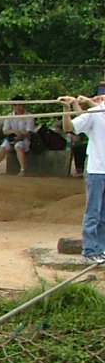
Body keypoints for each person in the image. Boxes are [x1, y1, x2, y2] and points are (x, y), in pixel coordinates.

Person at [61, 86, 105, 261]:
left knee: (104, 214)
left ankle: (101, 248)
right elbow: (70, 127)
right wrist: (67, 109)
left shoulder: (95, 110)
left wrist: (86, 102)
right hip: (96, 171)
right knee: (93, 212)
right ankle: (90, 250)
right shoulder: (94, 114)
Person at [0, 98, 34, 176]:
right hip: (11, 138)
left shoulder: (29, 116)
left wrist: (20, 135)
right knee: (3, 147)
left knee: (19, 146)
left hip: (24, 139)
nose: (19, 107)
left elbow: (29, 132)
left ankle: (23, 169)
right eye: (16, 105)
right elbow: (5, 131)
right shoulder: (10, 116)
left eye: (20, 105)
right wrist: (14, 132)